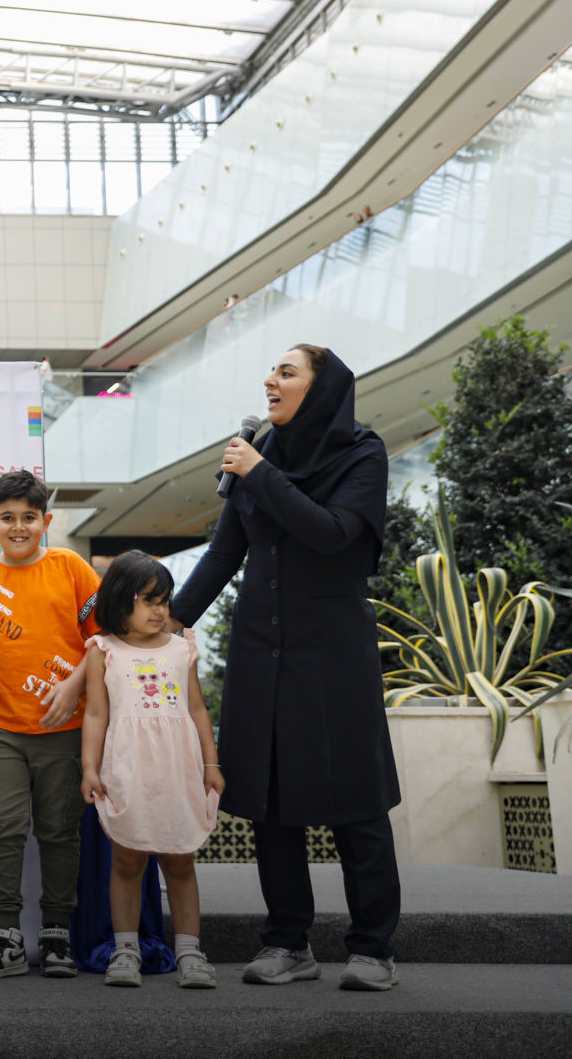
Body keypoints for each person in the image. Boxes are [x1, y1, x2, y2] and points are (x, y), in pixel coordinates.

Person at [169, 344, 402, 992]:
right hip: (260, 652)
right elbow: (223, 554)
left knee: (356, 801)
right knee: (270, 805)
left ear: (320, 389)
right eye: (272, 370)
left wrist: (260, 473)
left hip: (334, 655)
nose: (269, 379)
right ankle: (287, 942)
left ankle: (373, 949)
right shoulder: (261, 452)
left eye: (286, 372)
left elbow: (332, 534)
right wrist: (165, 623)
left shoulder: (361, 452)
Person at [0, 470, 98, 980]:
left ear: (46, 521)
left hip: (65, 729)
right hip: (0, 731)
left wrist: (73, 685)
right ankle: (6, 938)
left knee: (60, 834)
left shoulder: (72, 568)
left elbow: (102, 641)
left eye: (29, 518)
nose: (18, 527)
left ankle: (57, 935)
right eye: (7, 518)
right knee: (3, 831)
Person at [80, 552, 223, 990]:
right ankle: (125, 950)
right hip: (127, 770)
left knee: (180, 860)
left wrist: (211, 764)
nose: (160, 611)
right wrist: (89, 768)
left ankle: (189, 952)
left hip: (178, 770)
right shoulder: (102, 650)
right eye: (148, 601)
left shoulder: (182, 648)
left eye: (164, 601)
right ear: (120, 600)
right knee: (127, 859)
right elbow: (96, 714)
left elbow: (197, 708)